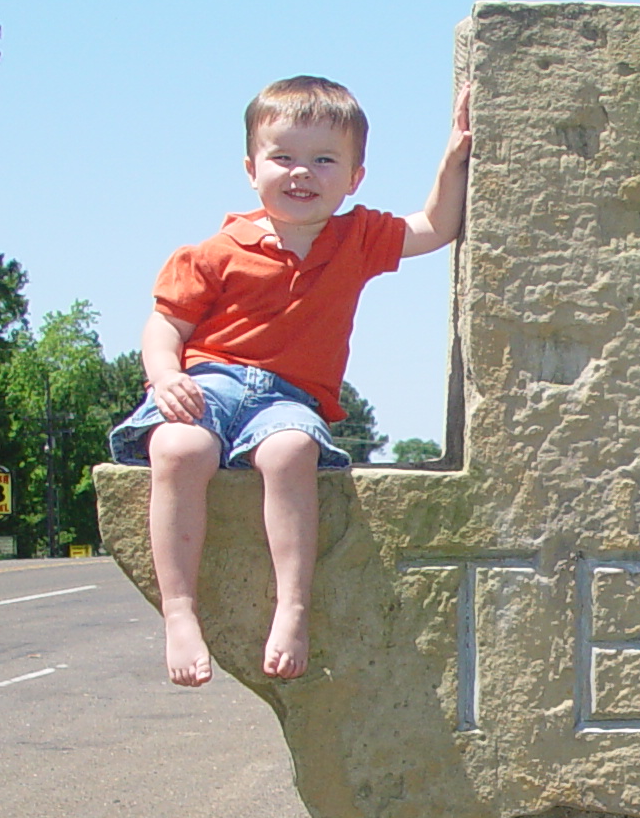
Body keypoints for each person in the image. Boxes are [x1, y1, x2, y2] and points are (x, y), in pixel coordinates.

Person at [109, 75, 470, 686]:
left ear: (355, 177)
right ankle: (179, 612)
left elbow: (435, 227)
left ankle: (292, 609)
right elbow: (165, 325)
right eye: (284, 157)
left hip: (290, 399)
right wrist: (164, 376)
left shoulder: (356, 238)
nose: (302, 173)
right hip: (211, 381)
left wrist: (455, 154)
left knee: (292, 450)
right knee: (179, 447)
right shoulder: (217, 251)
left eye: (324, 160)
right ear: (252, 168)